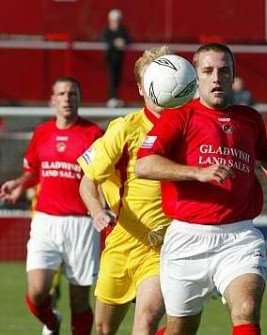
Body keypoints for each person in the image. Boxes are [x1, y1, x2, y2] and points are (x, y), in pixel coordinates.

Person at [135, 43, 267, 335]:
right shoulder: (179, 116)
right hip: (187, 238)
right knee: (180, 329)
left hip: (239, 237)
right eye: (208, 70)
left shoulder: (250, 119)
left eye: (224, 70)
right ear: (196, 76)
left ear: (233, 75)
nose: (216, 77)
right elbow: (144, 166)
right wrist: (196, 172)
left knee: (246, 308)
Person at [78, 47, 172, 335]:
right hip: (121, 242)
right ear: (142, 88)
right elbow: (87, 180)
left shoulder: (189, 127)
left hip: (162, 248)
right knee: (104, 328)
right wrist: (97, 211)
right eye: (152, 80)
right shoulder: (124, 128)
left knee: (146, 319)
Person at [0, 77, 103, 335]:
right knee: (36, 292)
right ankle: (52, 322)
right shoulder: (42, 132)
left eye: (72, 94)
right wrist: (21, 184)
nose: (67, 99)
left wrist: (103, 206)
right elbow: (34, 170)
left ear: (79, 99)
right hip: (45, 220)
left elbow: (103, 176)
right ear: (52, 100)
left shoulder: (94, 134)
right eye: (62, 94)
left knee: (79, 300)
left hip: (82, 223)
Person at [102, 8, 131, 108]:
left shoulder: (122, 30)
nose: (116, 22)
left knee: (118, 79)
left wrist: (123, 42)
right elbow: (103, 40)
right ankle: (111, 98)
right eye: (114, 20)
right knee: (111, 78)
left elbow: (129, 40)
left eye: (118, 19)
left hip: (119, 59)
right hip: (109, 59)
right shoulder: (106, 31)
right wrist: (115, 43)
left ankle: (116, 98)